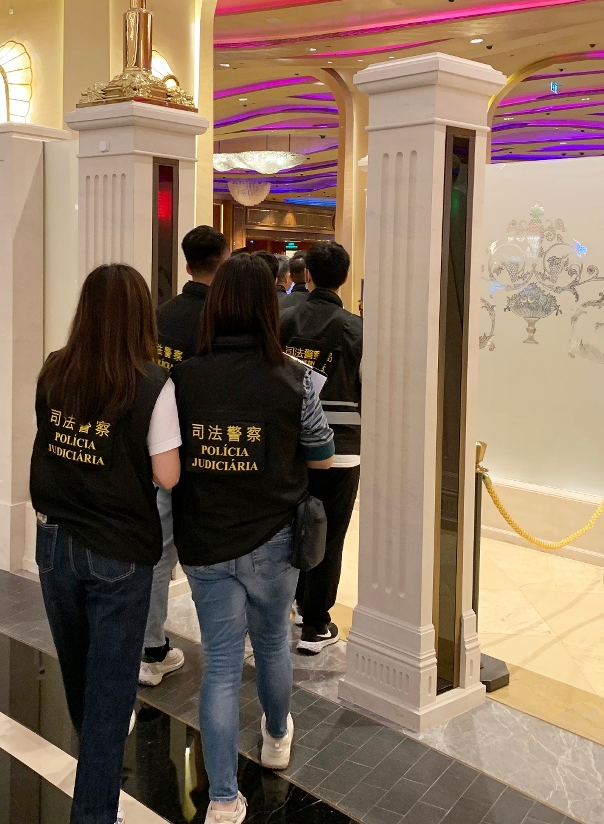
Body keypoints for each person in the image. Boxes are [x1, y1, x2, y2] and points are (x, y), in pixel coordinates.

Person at [172, 253, 334, 824]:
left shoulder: (184, 378)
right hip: (274, 538)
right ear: (270, 307)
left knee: (219, 664)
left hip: (205, 538)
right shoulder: (293, 377)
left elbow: (167, 458)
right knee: (271, 645)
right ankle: (276, 738)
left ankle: (221, 800)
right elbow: (323, 452)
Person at [30, 263, 182, 824]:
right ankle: (94, 812)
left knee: (79, 674)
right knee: (111, 693)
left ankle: (96, 773)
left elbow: (49, 437)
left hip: (55, 541)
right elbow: (167, 475)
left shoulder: (55, 369)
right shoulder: (152, 383)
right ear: (141, 317)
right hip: (119, 549)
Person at [143, 225, 228, 687]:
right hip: (204, 454)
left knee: (158, 554)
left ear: (187, 262)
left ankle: (151, 646)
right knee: (211, 556)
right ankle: (222, 650)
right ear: (224, 259)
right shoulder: (219, 320)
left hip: (157, 450)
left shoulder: (161, 315)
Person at [280, 242, 362, 654]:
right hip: (342, 448)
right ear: (344, 277)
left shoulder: (285, 320)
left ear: (307, 275)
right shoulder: (356, 329)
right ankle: (315, 624)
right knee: (330, 533)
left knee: (291, 524)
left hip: (290, 444)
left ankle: (294, 603)